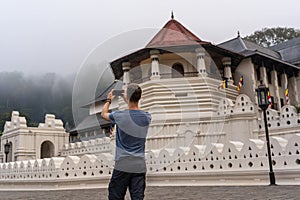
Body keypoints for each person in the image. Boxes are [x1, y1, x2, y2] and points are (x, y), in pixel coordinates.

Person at [101, 83, 151, 200]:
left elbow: (103, 114)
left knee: (115, 196)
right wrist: (128, 99)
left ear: (128, 96)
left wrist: (109, 99)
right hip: (139, 164)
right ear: (140, 97)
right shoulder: (147, 117)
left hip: (123, 163)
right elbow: (137, 110)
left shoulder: (119, 116)